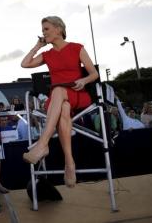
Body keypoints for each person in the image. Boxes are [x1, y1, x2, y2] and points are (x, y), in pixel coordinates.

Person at [20, 16, 99, 187]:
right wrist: (37, 46)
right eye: (42, 30)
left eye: (46, 29)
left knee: (58, 91)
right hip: (58, 100)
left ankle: (42, 144)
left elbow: (94, 74)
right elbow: (24, 64)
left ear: (59, 29)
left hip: (77, 93)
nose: (43, 33)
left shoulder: (77, 48)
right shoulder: (47, 54)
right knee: (62, 106)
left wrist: (83, 81)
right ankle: (69, 163)